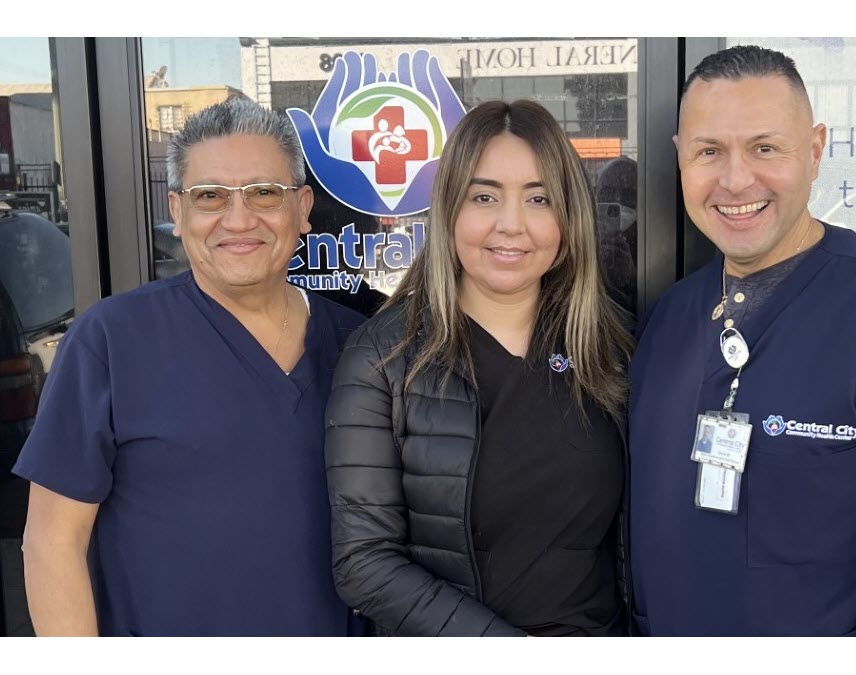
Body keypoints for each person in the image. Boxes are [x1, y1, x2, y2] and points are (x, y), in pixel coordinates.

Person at [629, 45, 856, 636]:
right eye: (708, 152)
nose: (735, 179)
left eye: (765, 148)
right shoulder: (670, 316)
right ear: (680, 159)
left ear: (816, 150)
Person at [12, 99, 365, 636]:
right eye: (210, 197)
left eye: (264, 192)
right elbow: (52, 542)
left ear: (302, 207)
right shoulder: (112, 340)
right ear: (177, 212)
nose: (239, 219)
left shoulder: (359, 342)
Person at [324, 99, 634, 636]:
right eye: (484, 196)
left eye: (539, 198)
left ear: (568, 216)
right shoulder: (384, 357)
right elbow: (364, 563)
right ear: (449, 210)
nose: (511, 225)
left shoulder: (610, 347)